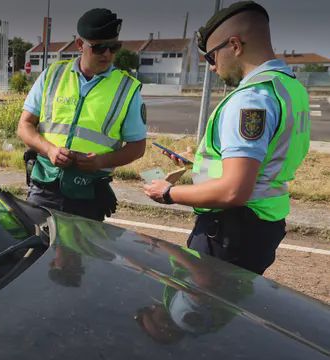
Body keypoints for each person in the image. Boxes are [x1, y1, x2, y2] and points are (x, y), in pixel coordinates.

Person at [143, 1, 311, 275]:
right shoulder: (290, 87)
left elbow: (234, 190)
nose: (211, 67)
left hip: (230, 229)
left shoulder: (250, 99)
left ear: (234, 45)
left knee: (198, 300)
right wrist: (199, 164)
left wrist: (168, 193)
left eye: (211, 57)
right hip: (263, 223)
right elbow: (266, 155)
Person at [17, 8, 147, 222]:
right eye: (99, 48)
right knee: (37, 240)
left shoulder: (127, 89)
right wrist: (49, 150)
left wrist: (101, 161)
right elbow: (25, 125)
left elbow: (137, 147)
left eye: (113, 47)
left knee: (82, 246)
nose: (107, 54)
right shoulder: (52, 75)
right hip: (45, 186)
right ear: (80, 44)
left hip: (89, 193)